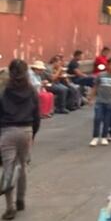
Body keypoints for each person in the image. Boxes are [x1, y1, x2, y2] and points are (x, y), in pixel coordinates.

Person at [0, 59, 40, 220]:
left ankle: (10, 208)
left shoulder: (3, 89)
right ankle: (20, 200)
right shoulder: (31, 90)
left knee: (8, 169)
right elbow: (37, 115)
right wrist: (33, 133)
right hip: (26, 130)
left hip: (7, 131)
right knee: (22, 165)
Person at [88, 57, 111, 147]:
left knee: (107, 119)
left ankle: (104, 136)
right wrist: (91, 98)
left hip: (110, 101)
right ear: (107, 65)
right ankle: (95, 137)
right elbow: (95, 87)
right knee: (97, 118)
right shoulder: (101, 75)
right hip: (100, 100)